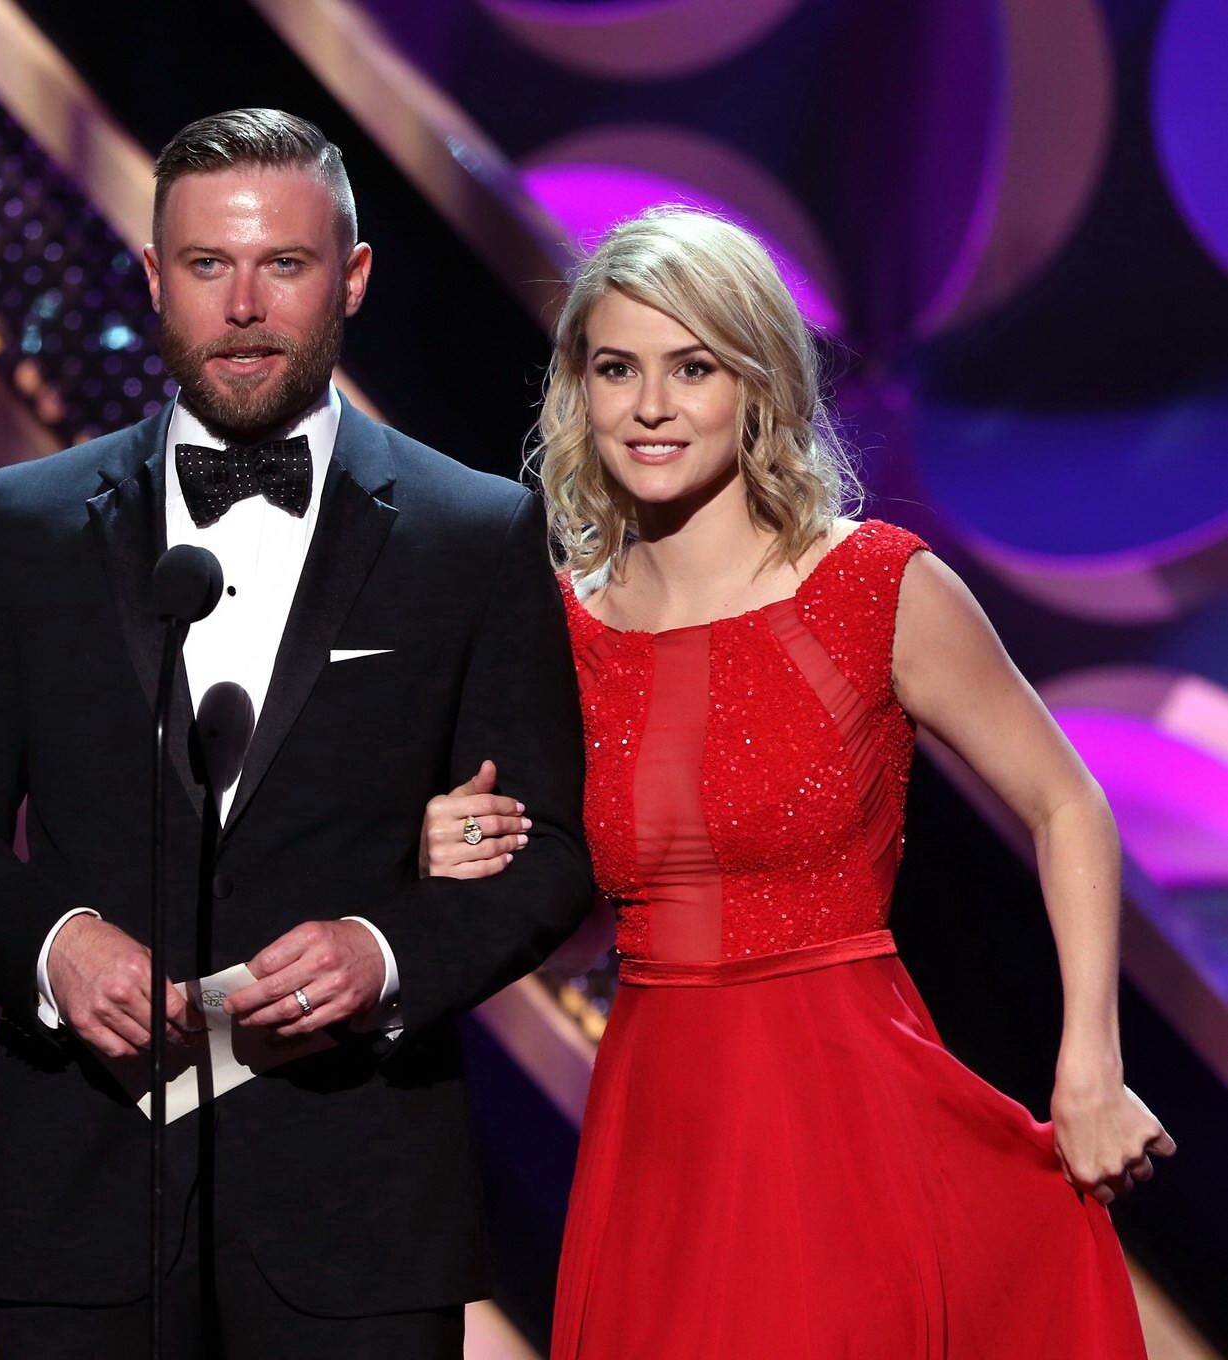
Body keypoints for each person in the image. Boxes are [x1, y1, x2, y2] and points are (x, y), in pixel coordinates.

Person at [0, 108, 593, 1358]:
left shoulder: (472, 532)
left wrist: (383, 951)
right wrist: (57, 943)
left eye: (286, 264)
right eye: (207, 266)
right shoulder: (24, 523)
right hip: (85, 1190)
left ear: (352, 278)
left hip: (358, 1196)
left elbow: (551, 848)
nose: (245, 303)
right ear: (156, 279)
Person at [420, 205, 1175, 1358]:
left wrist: (1089, 1063)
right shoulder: (554, 629)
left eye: (692, 367)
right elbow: (583, 928)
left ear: (757, 381)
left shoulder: (873, 586)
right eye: (617, 367)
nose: (652, 405)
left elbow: (1066, 801)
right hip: (654, 1141)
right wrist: (469, 862)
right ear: (579, 389)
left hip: (848, 1120)